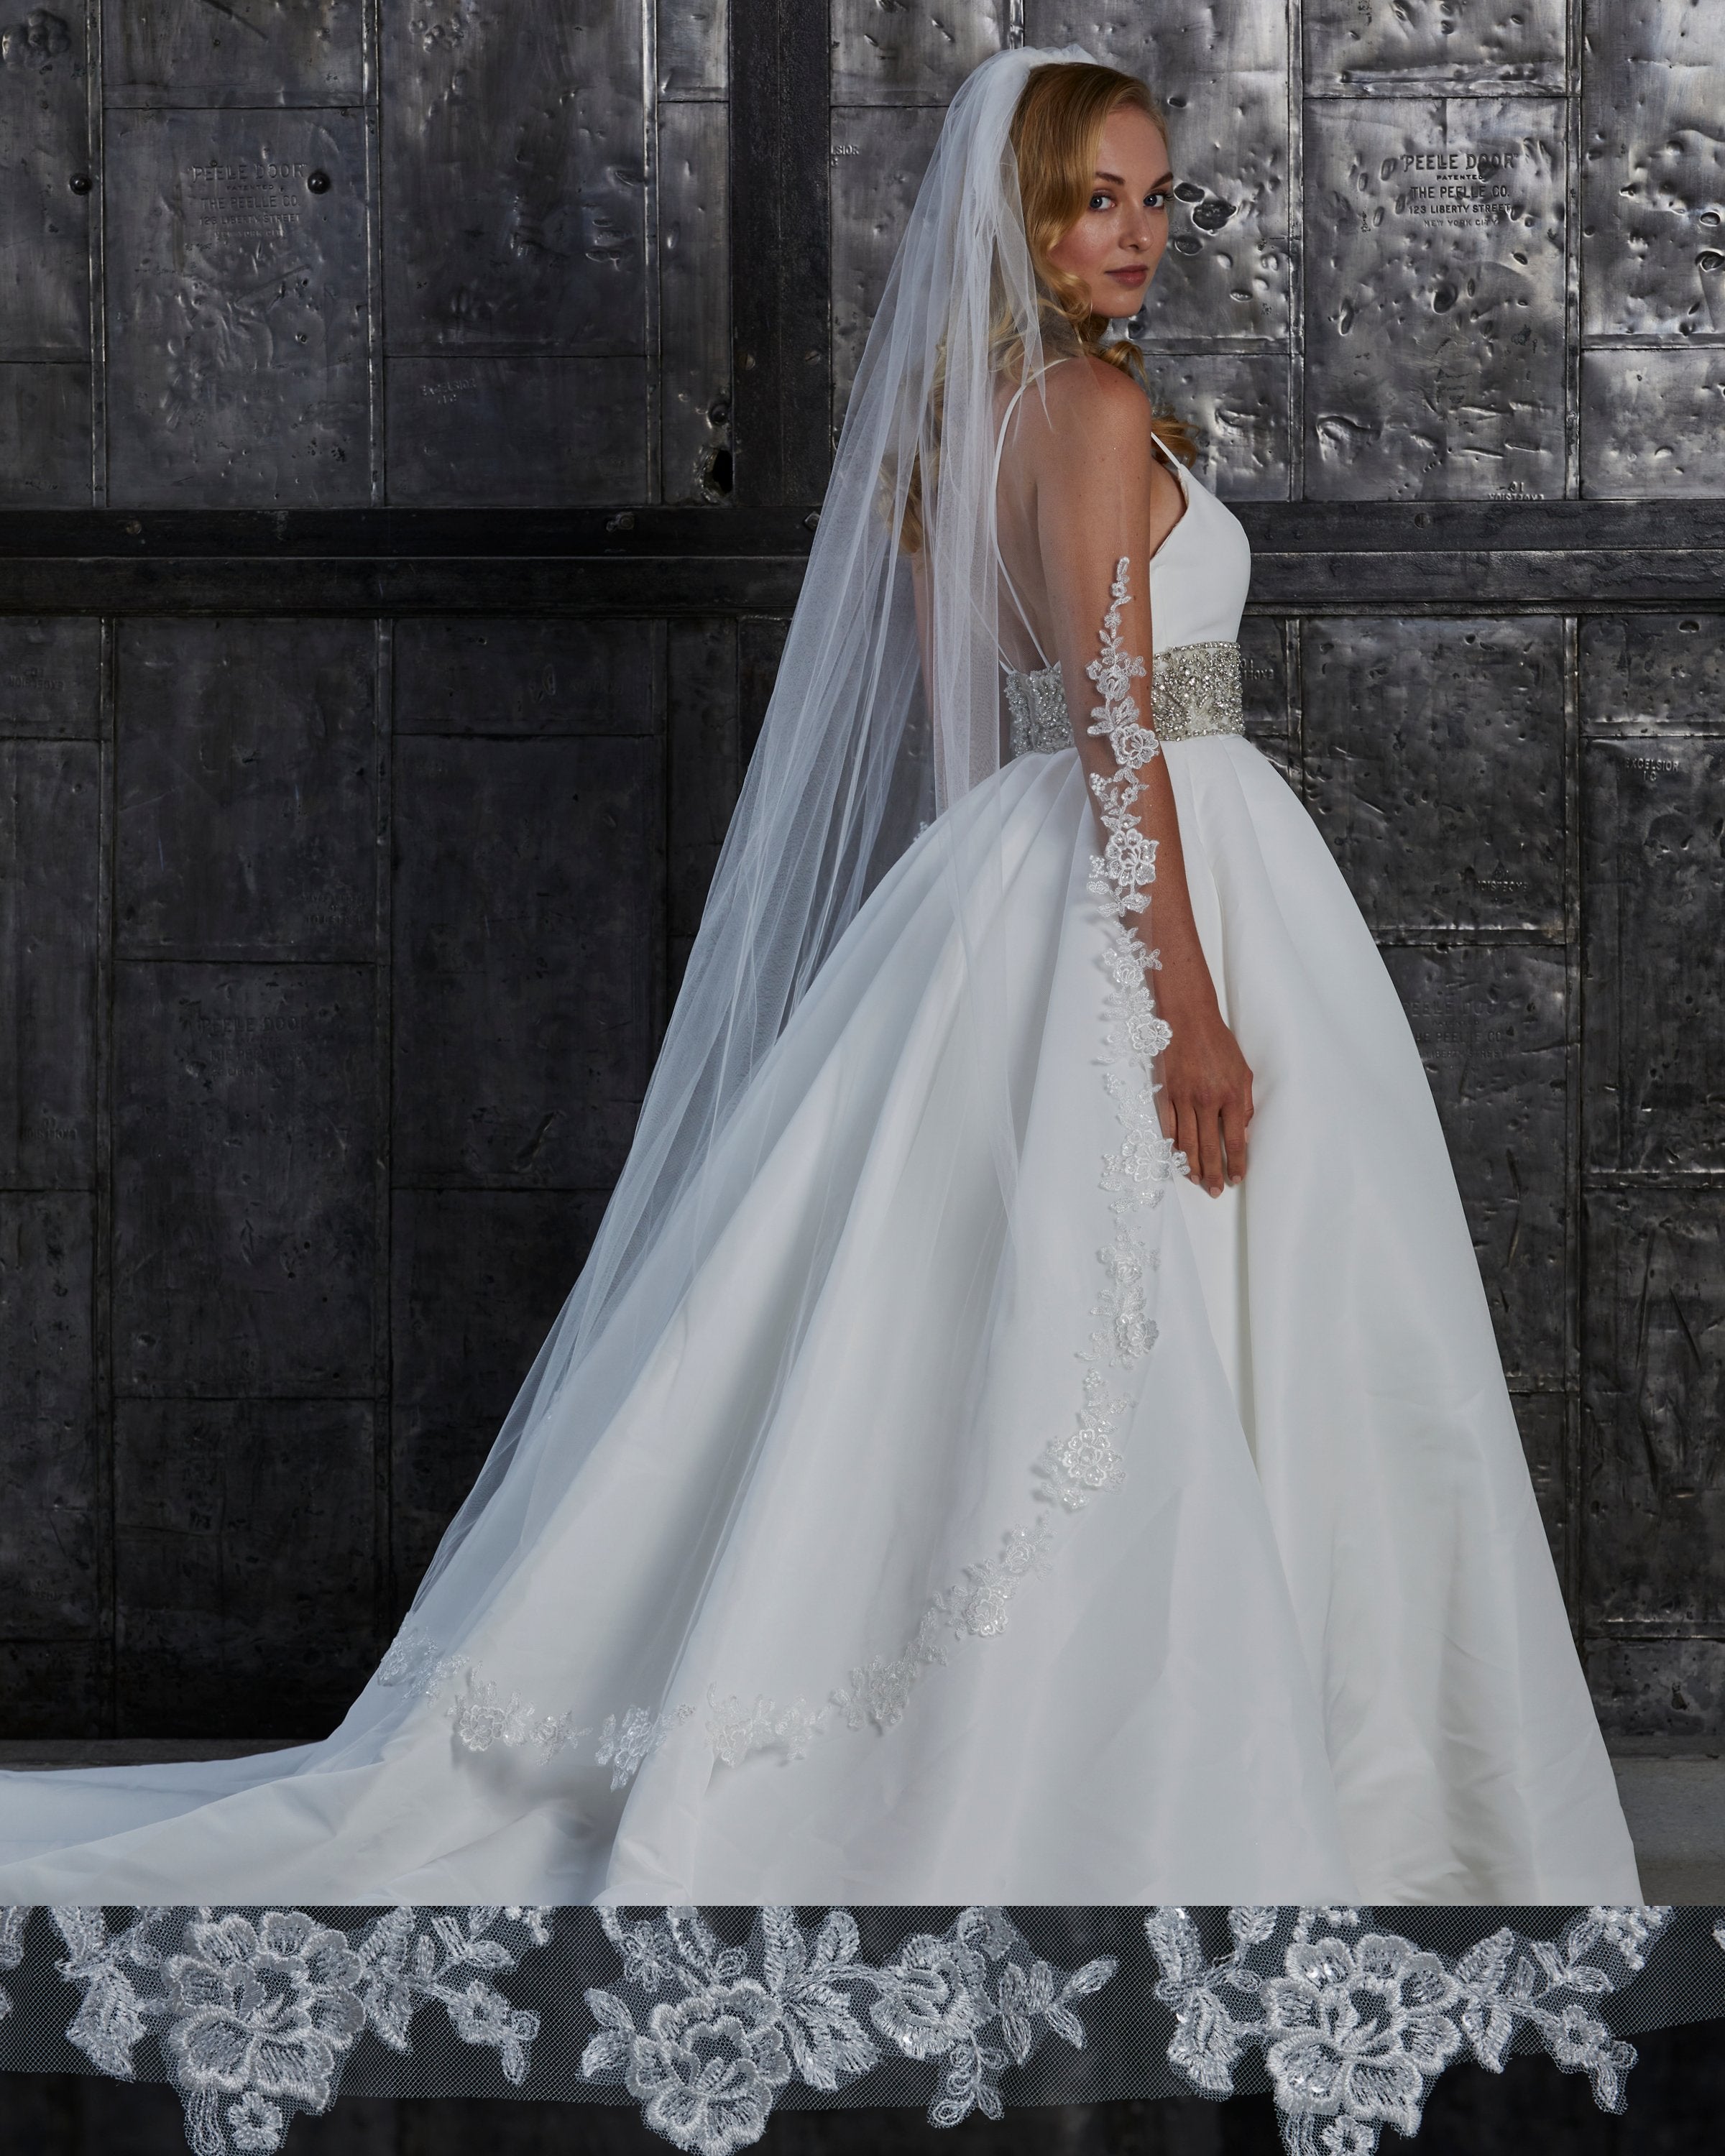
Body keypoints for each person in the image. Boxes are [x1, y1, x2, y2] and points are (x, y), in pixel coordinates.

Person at [0, 45, 1639, 1903]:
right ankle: (1239, 1775)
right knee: (1216, 1301)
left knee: (1070, 1322)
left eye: (1157, 197)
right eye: (1094, 200)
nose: (1138, 235)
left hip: (1022, 877)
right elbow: (1117, 725)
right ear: (1020, 220)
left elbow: (976, 735)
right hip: (1160, 874)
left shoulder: (963, 436)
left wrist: (997, 955)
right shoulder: (1093, 414)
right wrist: (1183, 1007)